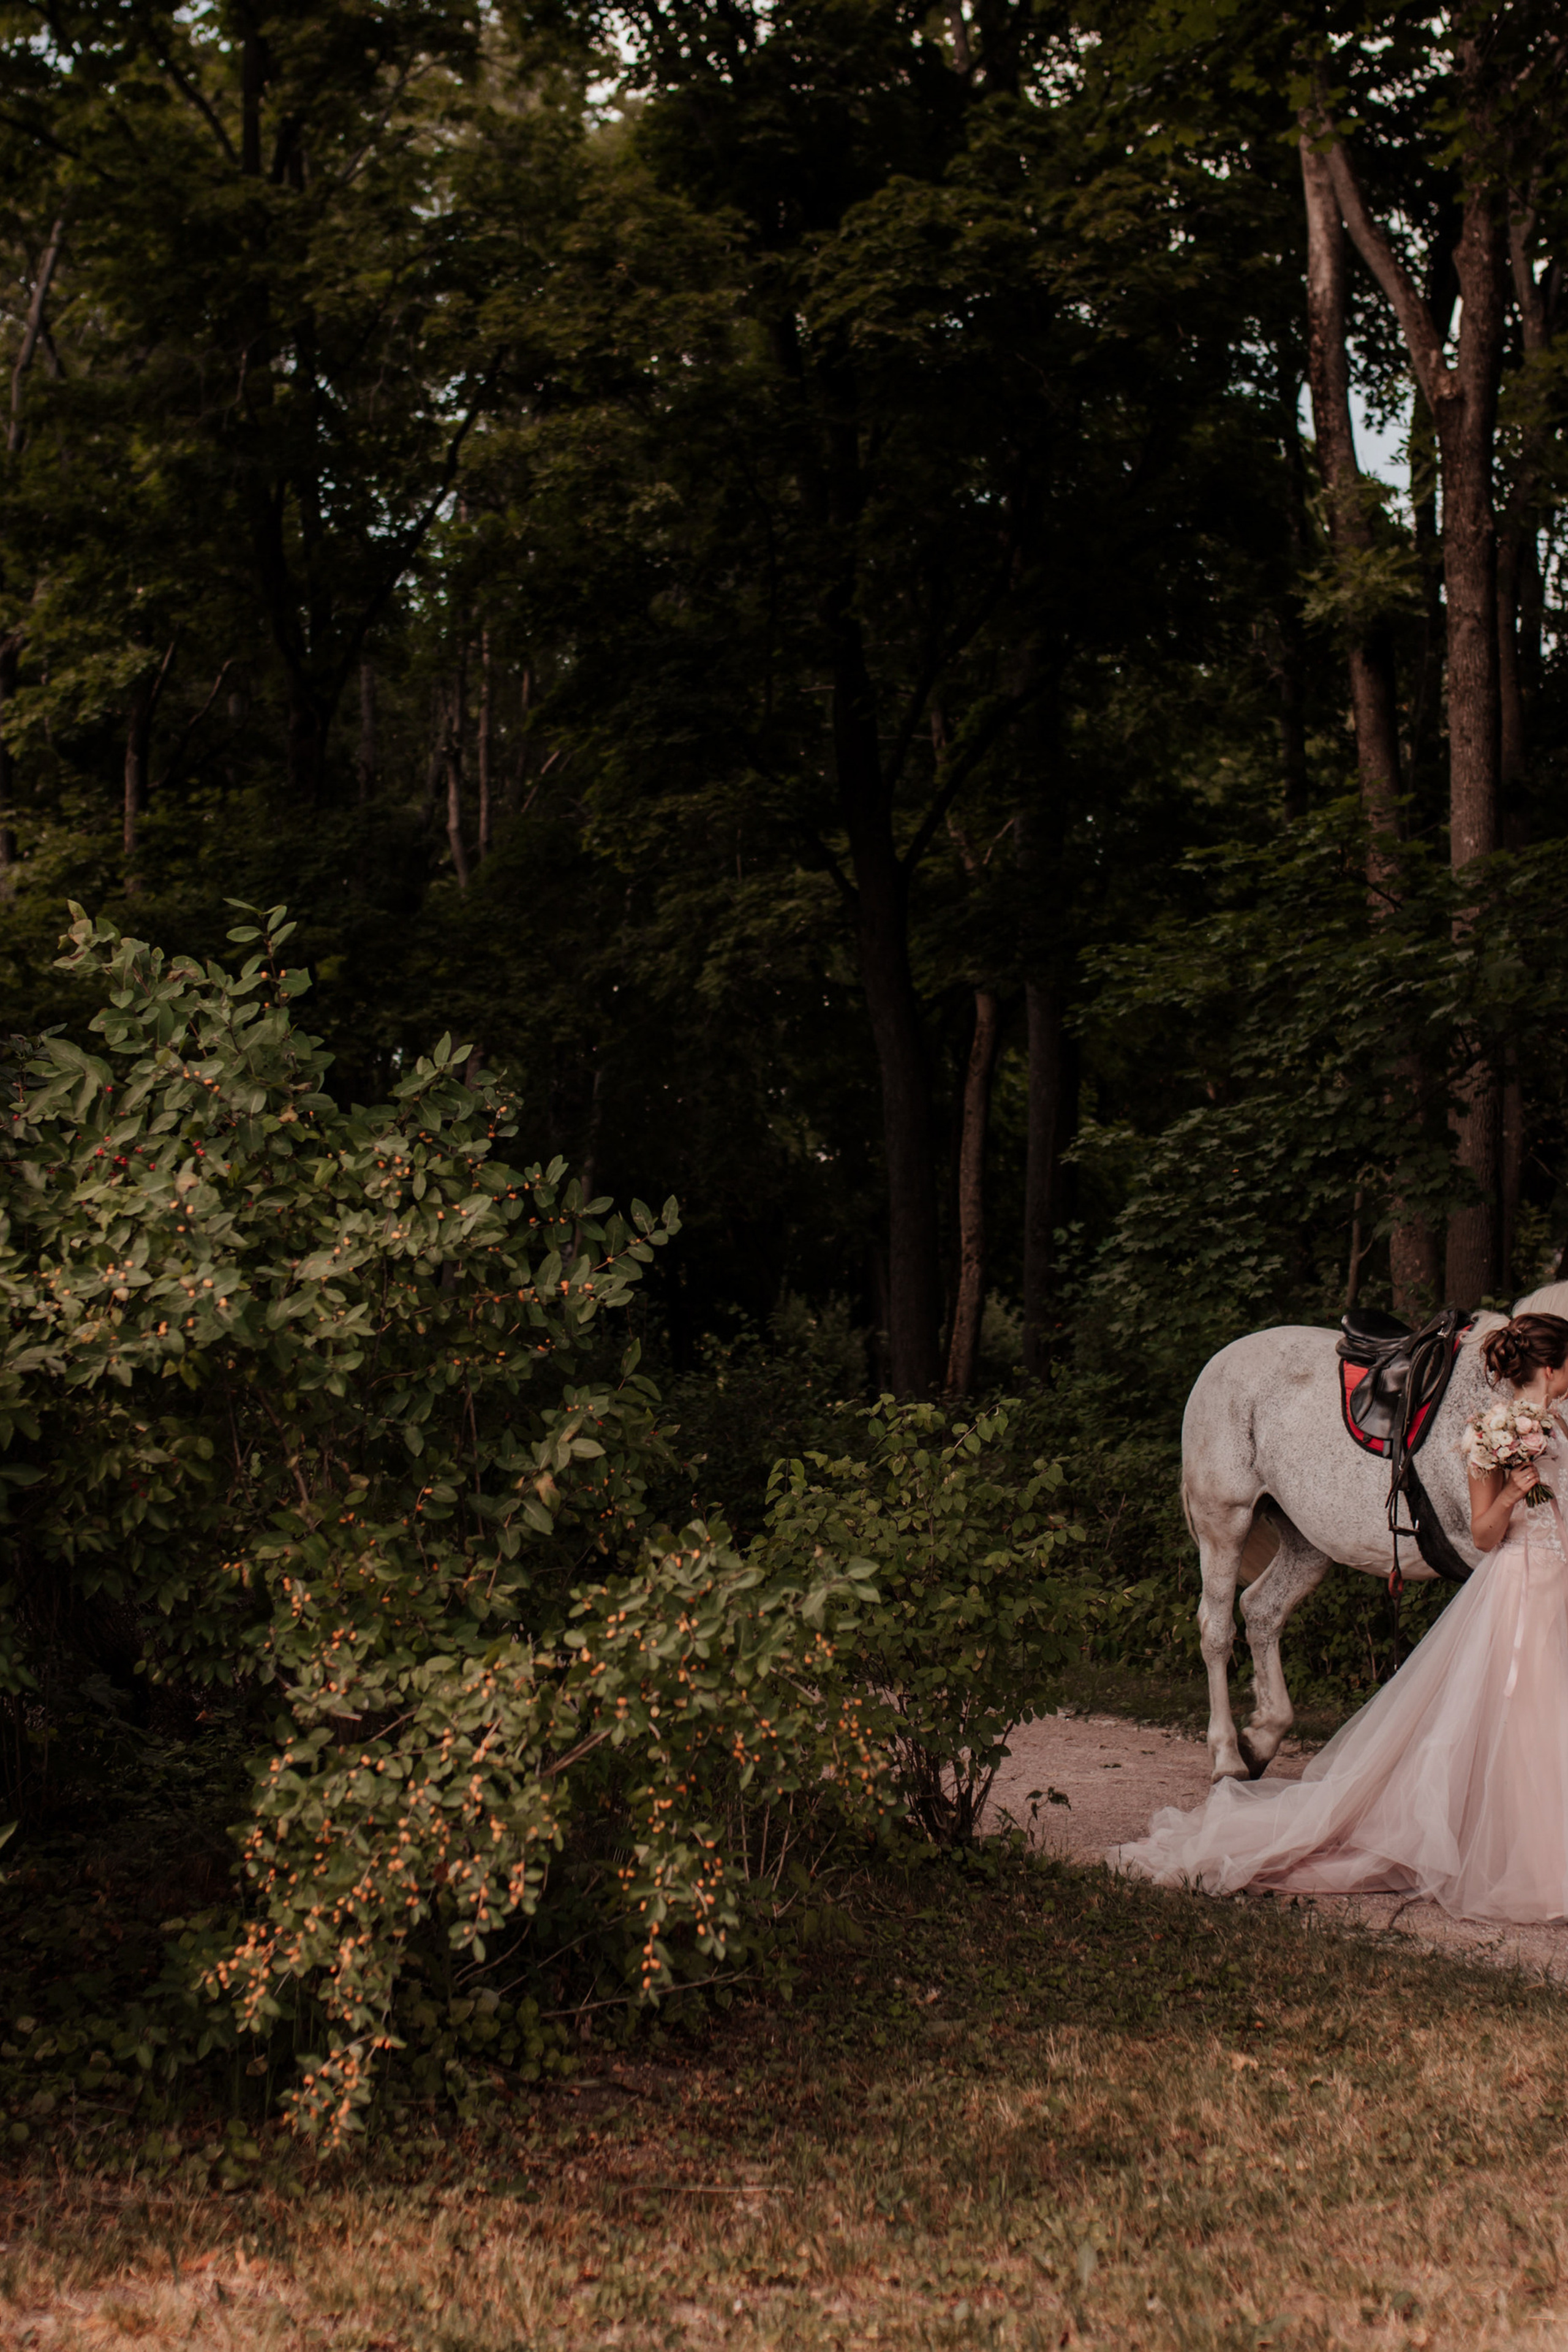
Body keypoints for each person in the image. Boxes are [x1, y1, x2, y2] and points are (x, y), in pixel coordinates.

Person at [1112, 1311, 1568, 1923]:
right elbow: (1487, 1533)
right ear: (1553, 1366)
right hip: (1522, 1579)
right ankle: (1522, 1854)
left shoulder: (1554, 1426)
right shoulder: (1493, 1432)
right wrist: (1515, 1491)